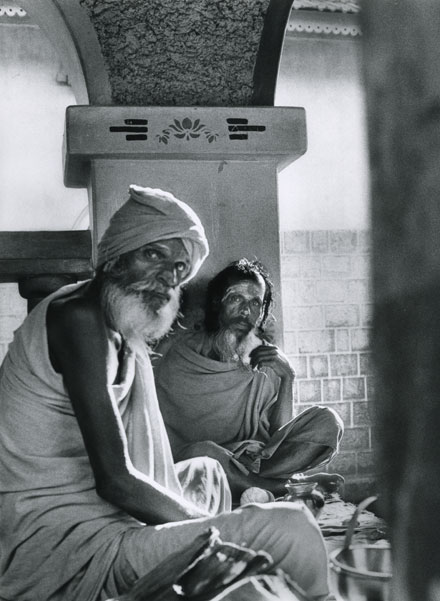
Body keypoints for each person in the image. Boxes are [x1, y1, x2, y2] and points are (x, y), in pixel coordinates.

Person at [0, 186, 330, 601]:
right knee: (291, 527)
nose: (167, 277)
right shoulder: (79, 318)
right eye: (153, 255)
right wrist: (211, 535)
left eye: (179, 266)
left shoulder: (123, 333)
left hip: (106, 519)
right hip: (69, 546)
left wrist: (286, 380)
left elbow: (271, 431)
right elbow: (116, 482)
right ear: (116, 255)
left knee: (209, 473)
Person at [155, 258, 344, 502]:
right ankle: (286, 487)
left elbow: (276, 436)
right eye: (236, 299)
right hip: (202, 465)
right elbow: (161, 429)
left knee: (329, 421)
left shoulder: (265, 357)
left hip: (253, 461)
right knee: (202, 454)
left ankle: (253, 485)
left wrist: (288, 377)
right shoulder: (182, 353)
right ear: (216, 303)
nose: (246, 311)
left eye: (256, 303)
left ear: (263, 312)